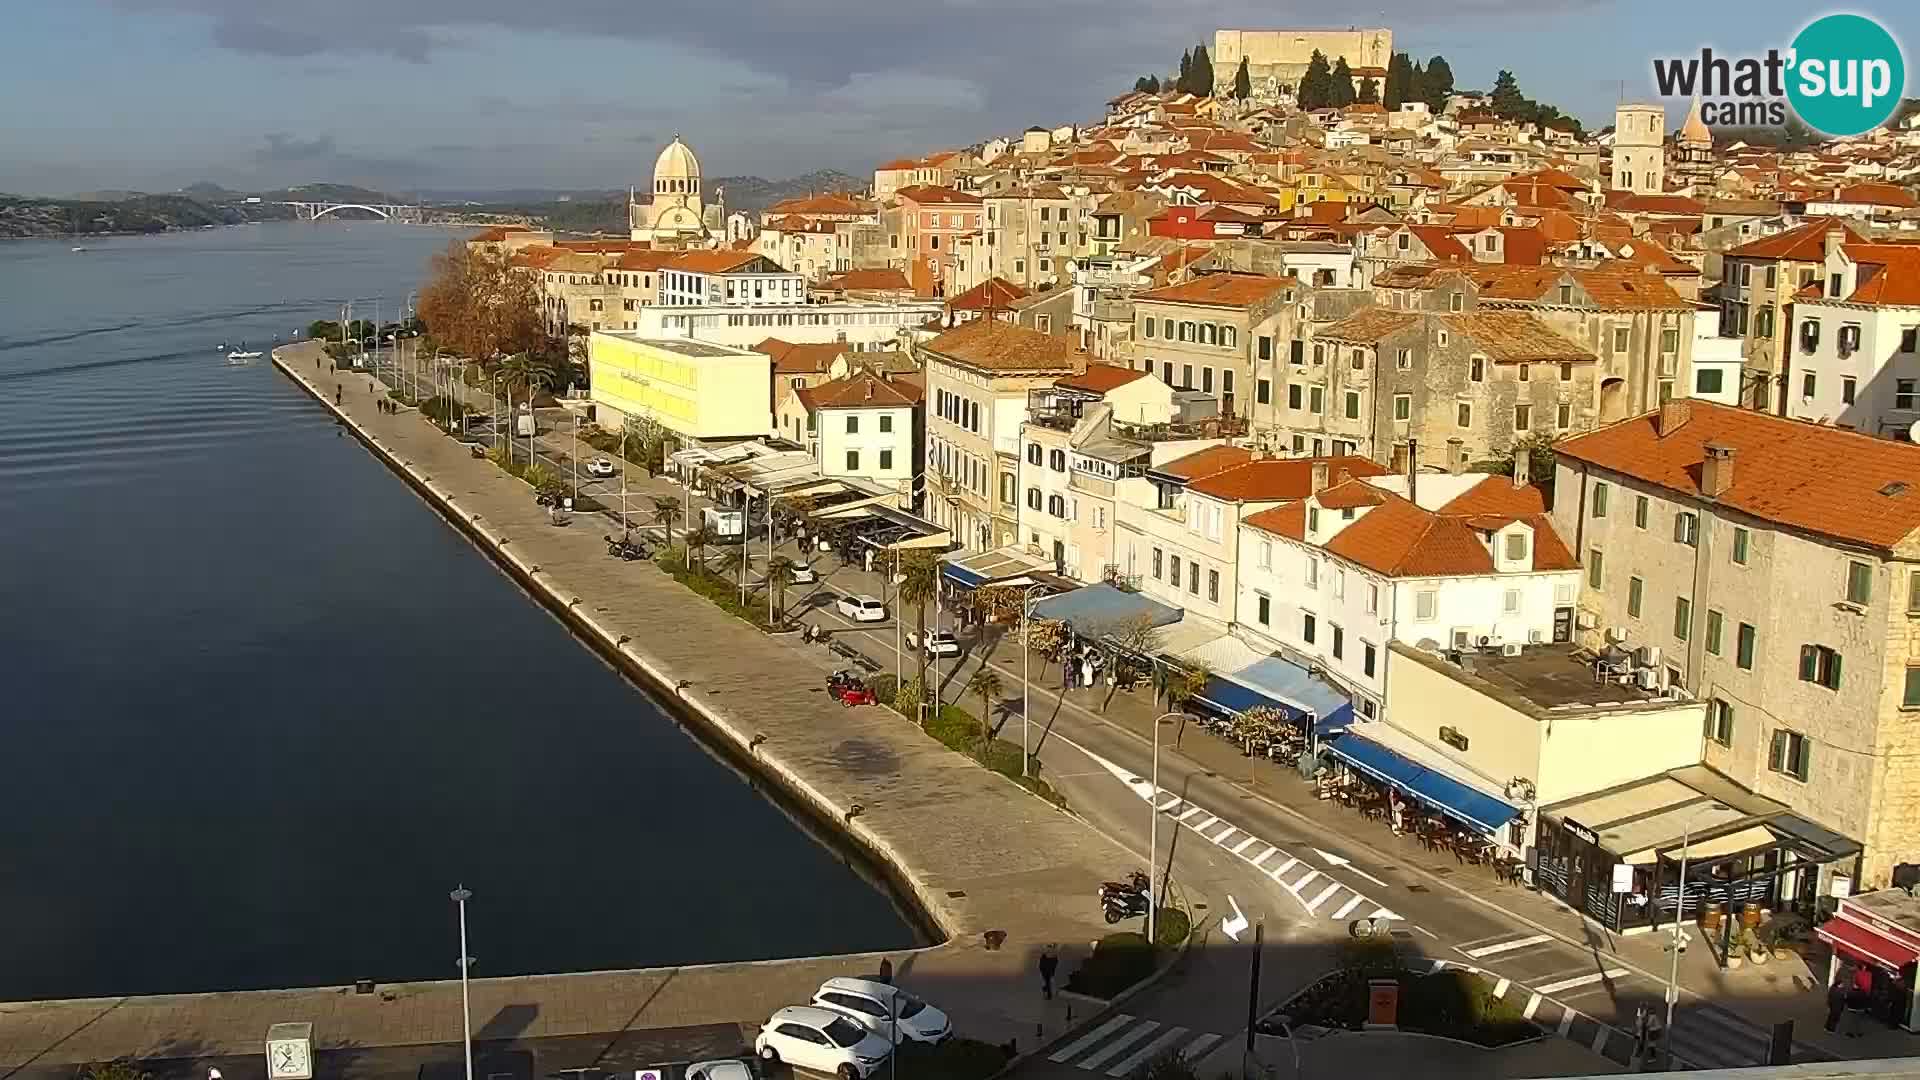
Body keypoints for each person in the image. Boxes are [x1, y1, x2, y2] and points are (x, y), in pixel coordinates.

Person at [1827, 965, 1850, 1033]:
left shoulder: (1833, 989)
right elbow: (1843, 998)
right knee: (1835, 1018)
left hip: (1834, 1005)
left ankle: (1828, 1027)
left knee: (1831, 1016)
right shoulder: (1840, 991)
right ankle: (1831, 1028)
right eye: (1842, 984)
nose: (1843, 985)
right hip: (1837, 1006)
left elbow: (1830, 996)